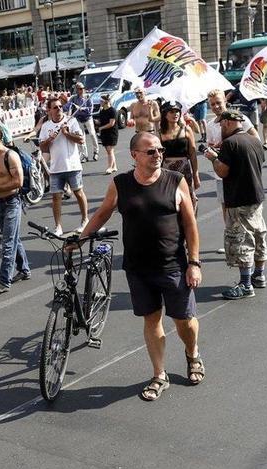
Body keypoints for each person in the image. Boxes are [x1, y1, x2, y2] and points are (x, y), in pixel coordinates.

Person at [77, 132, 203, 401]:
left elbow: (191, 224)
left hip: (174, 266)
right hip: (138, 268)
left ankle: (192, 354)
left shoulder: (175, 180)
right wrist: (80, 239)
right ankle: (159, 375)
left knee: (184, 321)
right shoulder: (120, 183)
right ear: (134, 155)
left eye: (160, 150)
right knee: (151, 319)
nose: (158, 154)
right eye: (151, 151)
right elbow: (103, 213)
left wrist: (194, 262)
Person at [204, 110, 267, 300]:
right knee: (258, 235)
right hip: (256, 196)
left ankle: (246, 284)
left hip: (238, 198)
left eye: (222, 124)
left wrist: (213, 158)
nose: (221, 128)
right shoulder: (254, 140)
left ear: (229, 123)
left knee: (241, 240)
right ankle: (259, 275)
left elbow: (223, 171)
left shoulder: (230, 143)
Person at [206, 89, 261, 254]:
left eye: (218, 102)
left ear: (225, 100)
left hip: (240, 172)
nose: (216, 106)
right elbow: (211, 144)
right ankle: (233, 239)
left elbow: (255, 139)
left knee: (245, 208)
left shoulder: (238, 118)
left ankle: (252, 243)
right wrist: (213, 150)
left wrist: (232, 146)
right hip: (221, 172)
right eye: (212, 104)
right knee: (226, 207)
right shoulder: (210, 124)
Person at [0, 125, 30, 294]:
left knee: (8, 243)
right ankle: (24, 269)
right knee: (12, 238)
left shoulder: (11, 156)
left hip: (12, 202)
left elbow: (18, 182)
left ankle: (4, 280)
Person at [39, 98, 89, 236]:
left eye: (61, 106)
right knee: (56, 197)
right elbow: (42, 146)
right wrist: (50, 139)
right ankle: (58, 226)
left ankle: (85, 220)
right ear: (49, 110)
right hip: (56, 168)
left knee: (78, 193)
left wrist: (66, 133)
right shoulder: (46, 126)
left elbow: (81, 140)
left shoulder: (71, 121)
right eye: (55, 107)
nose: (59, 109)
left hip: (72, 165)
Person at [159, 100, 200, 208]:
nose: (175, 114)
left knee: (188, 198)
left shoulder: (186, 130)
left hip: (184, 169)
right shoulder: (159, 133)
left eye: (177, 111)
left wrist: (196, 174)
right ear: (165, 114)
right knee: (170, 199)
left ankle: (190, 223)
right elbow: (158, 156)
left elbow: (192, 154)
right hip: (167, 171)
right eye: (171, 112)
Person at [66, 82, 98, 161]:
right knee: (81, 137)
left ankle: (96, 152)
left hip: (88, 118)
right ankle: (84, 155)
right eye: (79, 89)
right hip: (78, 119)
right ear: (76, 90)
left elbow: (90, 110)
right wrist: (68, 115)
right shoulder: (74, 98)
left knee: (92, 134)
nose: (81, 90)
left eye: (82, 88)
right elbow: (69, 106)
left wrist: (81, 108)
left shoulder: (88, 97)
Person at [96, 93, 119, 174]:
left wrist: (101, 128)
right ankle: (114, 166)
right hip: (104, 133)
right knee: (109, 150)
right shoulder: (102, 110)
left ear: (106, 101)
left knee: (110, 150)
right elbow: (102, 121)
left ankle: (110, 167)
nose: (100, 102)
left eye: (101, 101)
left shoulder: (112, 110)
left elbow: (111, 123)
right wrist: (97, 122)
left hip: (111, 132)